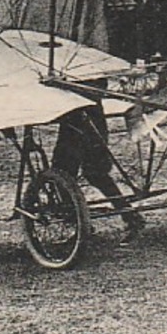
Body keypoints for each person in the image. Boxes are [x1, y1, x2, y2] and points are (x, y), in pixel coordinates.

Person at [51, 102, 147, 240]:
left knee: (61, 172)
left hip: (75, 121)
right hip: (94, 119)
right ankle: (130, 215)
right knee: (96, 174)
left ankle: (78, 224)